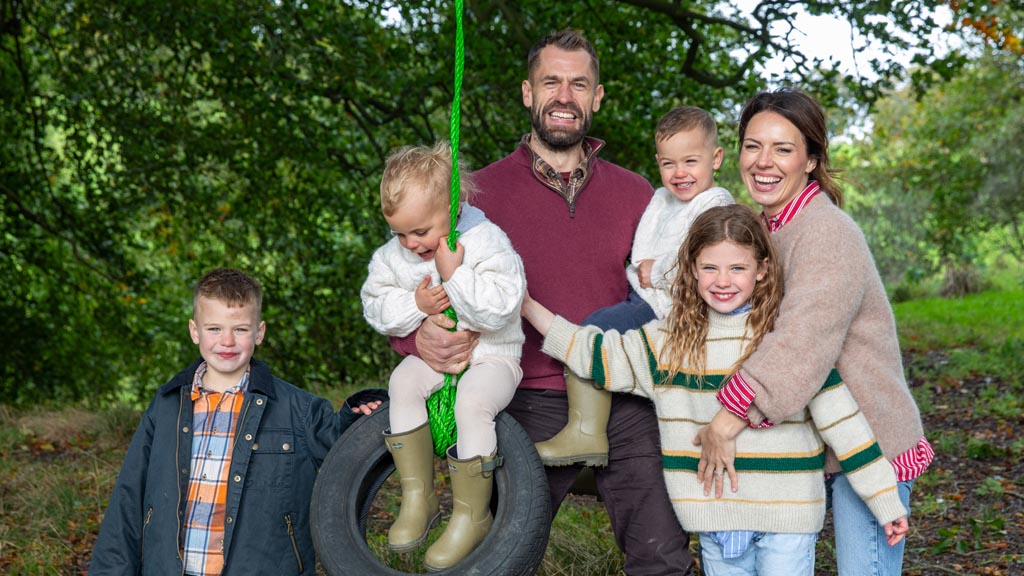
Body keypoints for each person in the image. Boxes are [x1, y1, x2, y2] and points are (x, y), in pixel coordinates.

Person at [391, 29, 695, 574]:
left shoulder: (640, 195)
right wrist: (417, 338)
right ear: (528, 93)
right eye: (551, 82)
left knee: (663, 556)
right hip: (521, 393)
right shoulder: (473, 195)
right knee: (494, 560)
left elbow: (672, 291)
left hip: (624, 394)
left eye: (579, 84)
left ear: (597, 97)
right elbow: (409, 275)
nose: (564, 96)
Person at [521, 204, 910, 575]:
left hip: (787, 519)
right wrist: (526, 306)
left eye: (738, 268)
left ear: (762, 270)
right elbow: (594, 352)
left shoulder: (784, 346)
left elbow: (843, 422)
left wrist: (884, 500)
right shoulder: (669, 343)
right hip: (714, 522)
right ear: (693, 269)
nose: (723, 281)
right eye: (710, 268)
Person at [694, 88, 934, 575]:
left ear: (810, 161)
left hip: (866, 439)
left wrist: (726, 419)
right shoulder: (762, 229)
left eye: (783, 149)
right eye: (753, 145)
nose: (763, 161)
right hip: (809, 435)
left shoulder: (826, 230)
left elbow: (801, 342)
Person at [90, 268, 385, 576]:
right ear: (194, 331)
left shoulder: (298, 409)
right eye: (214, 328)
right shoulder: (166, 407)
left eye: (241, 329)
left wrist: (362, 415)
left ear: (259, 332)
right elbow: (128, 497)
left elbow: (343, 447)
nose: (227, 341)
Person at [535, 105, 734, 467]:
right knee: (610, 341)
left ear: (716, 158)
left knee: (593, 331)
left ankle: (587, 432)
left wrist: (655, 273)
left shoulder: (715, 205)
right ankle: (593, 428)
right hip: (644, 296)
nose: (680, 173)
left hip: (669, 306)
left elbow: (706, 262)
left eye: (691, 162)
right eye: (669, 164)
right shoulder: (664, 199)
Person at [360, 141, 525, 571]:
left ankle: (472, 515)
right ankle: (419, 496)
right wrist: (415, 305)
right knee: (402, 382)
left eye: (420, 231)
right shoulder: (394, 256)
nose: (411, 244)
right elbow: (375, 306)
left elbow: (502, 307)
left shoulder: (486, 241)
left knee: (473, 401)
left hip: (492, 357)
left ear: (453, 207)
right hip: (435, 360)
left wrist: (455, 275)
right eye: (400, 233)